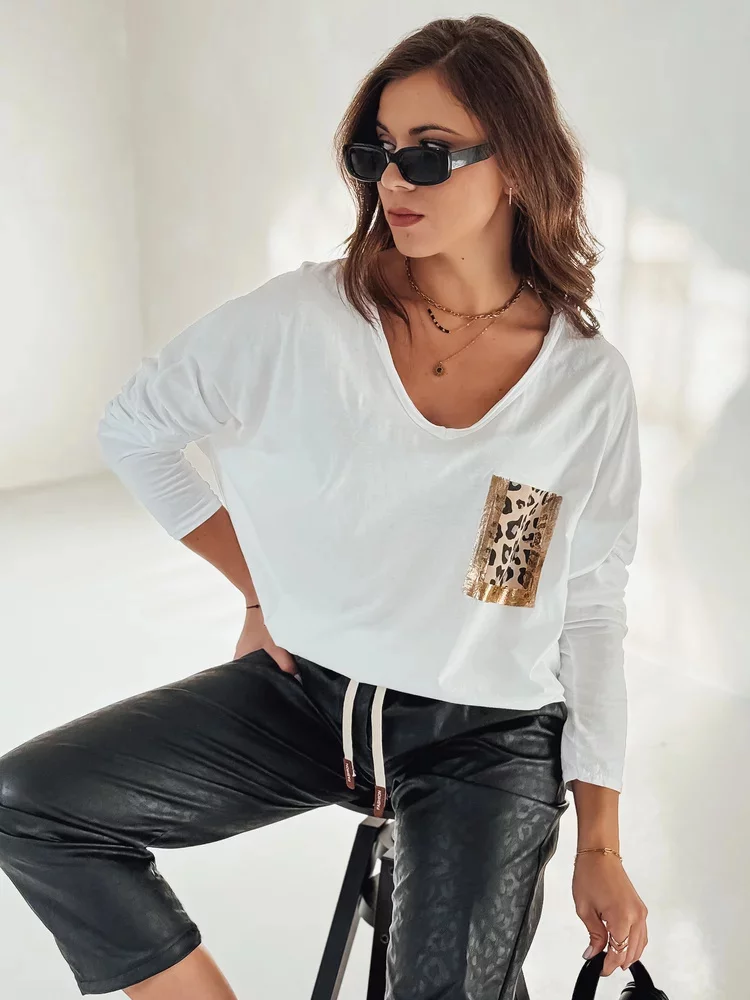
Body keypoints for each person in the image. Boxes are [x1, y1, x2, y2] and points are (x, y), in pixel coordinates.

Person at [0, 14, 649, 1000]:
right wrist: (259, 588)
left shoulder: (579, 385)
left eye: (427, 155)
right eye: (374, 154)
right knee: (32, 803)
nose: (392, 181)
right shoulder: (305, 321)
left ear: (517, 164)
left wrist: (599, 841)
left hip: (483, 738)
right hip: (306, 703)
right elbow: (136, 428)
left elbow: (570, 603)